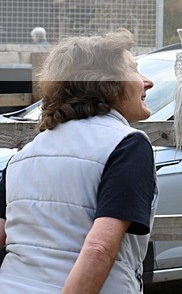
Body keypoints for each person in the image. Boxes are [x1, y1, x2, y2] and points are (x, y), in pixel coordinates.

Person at [0, 29, 157, 293]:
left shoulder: (23, 156)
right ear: (107, 83)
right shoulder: (127, 145)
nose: (148, 82)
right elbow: (99, 249)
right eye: (134, 70)